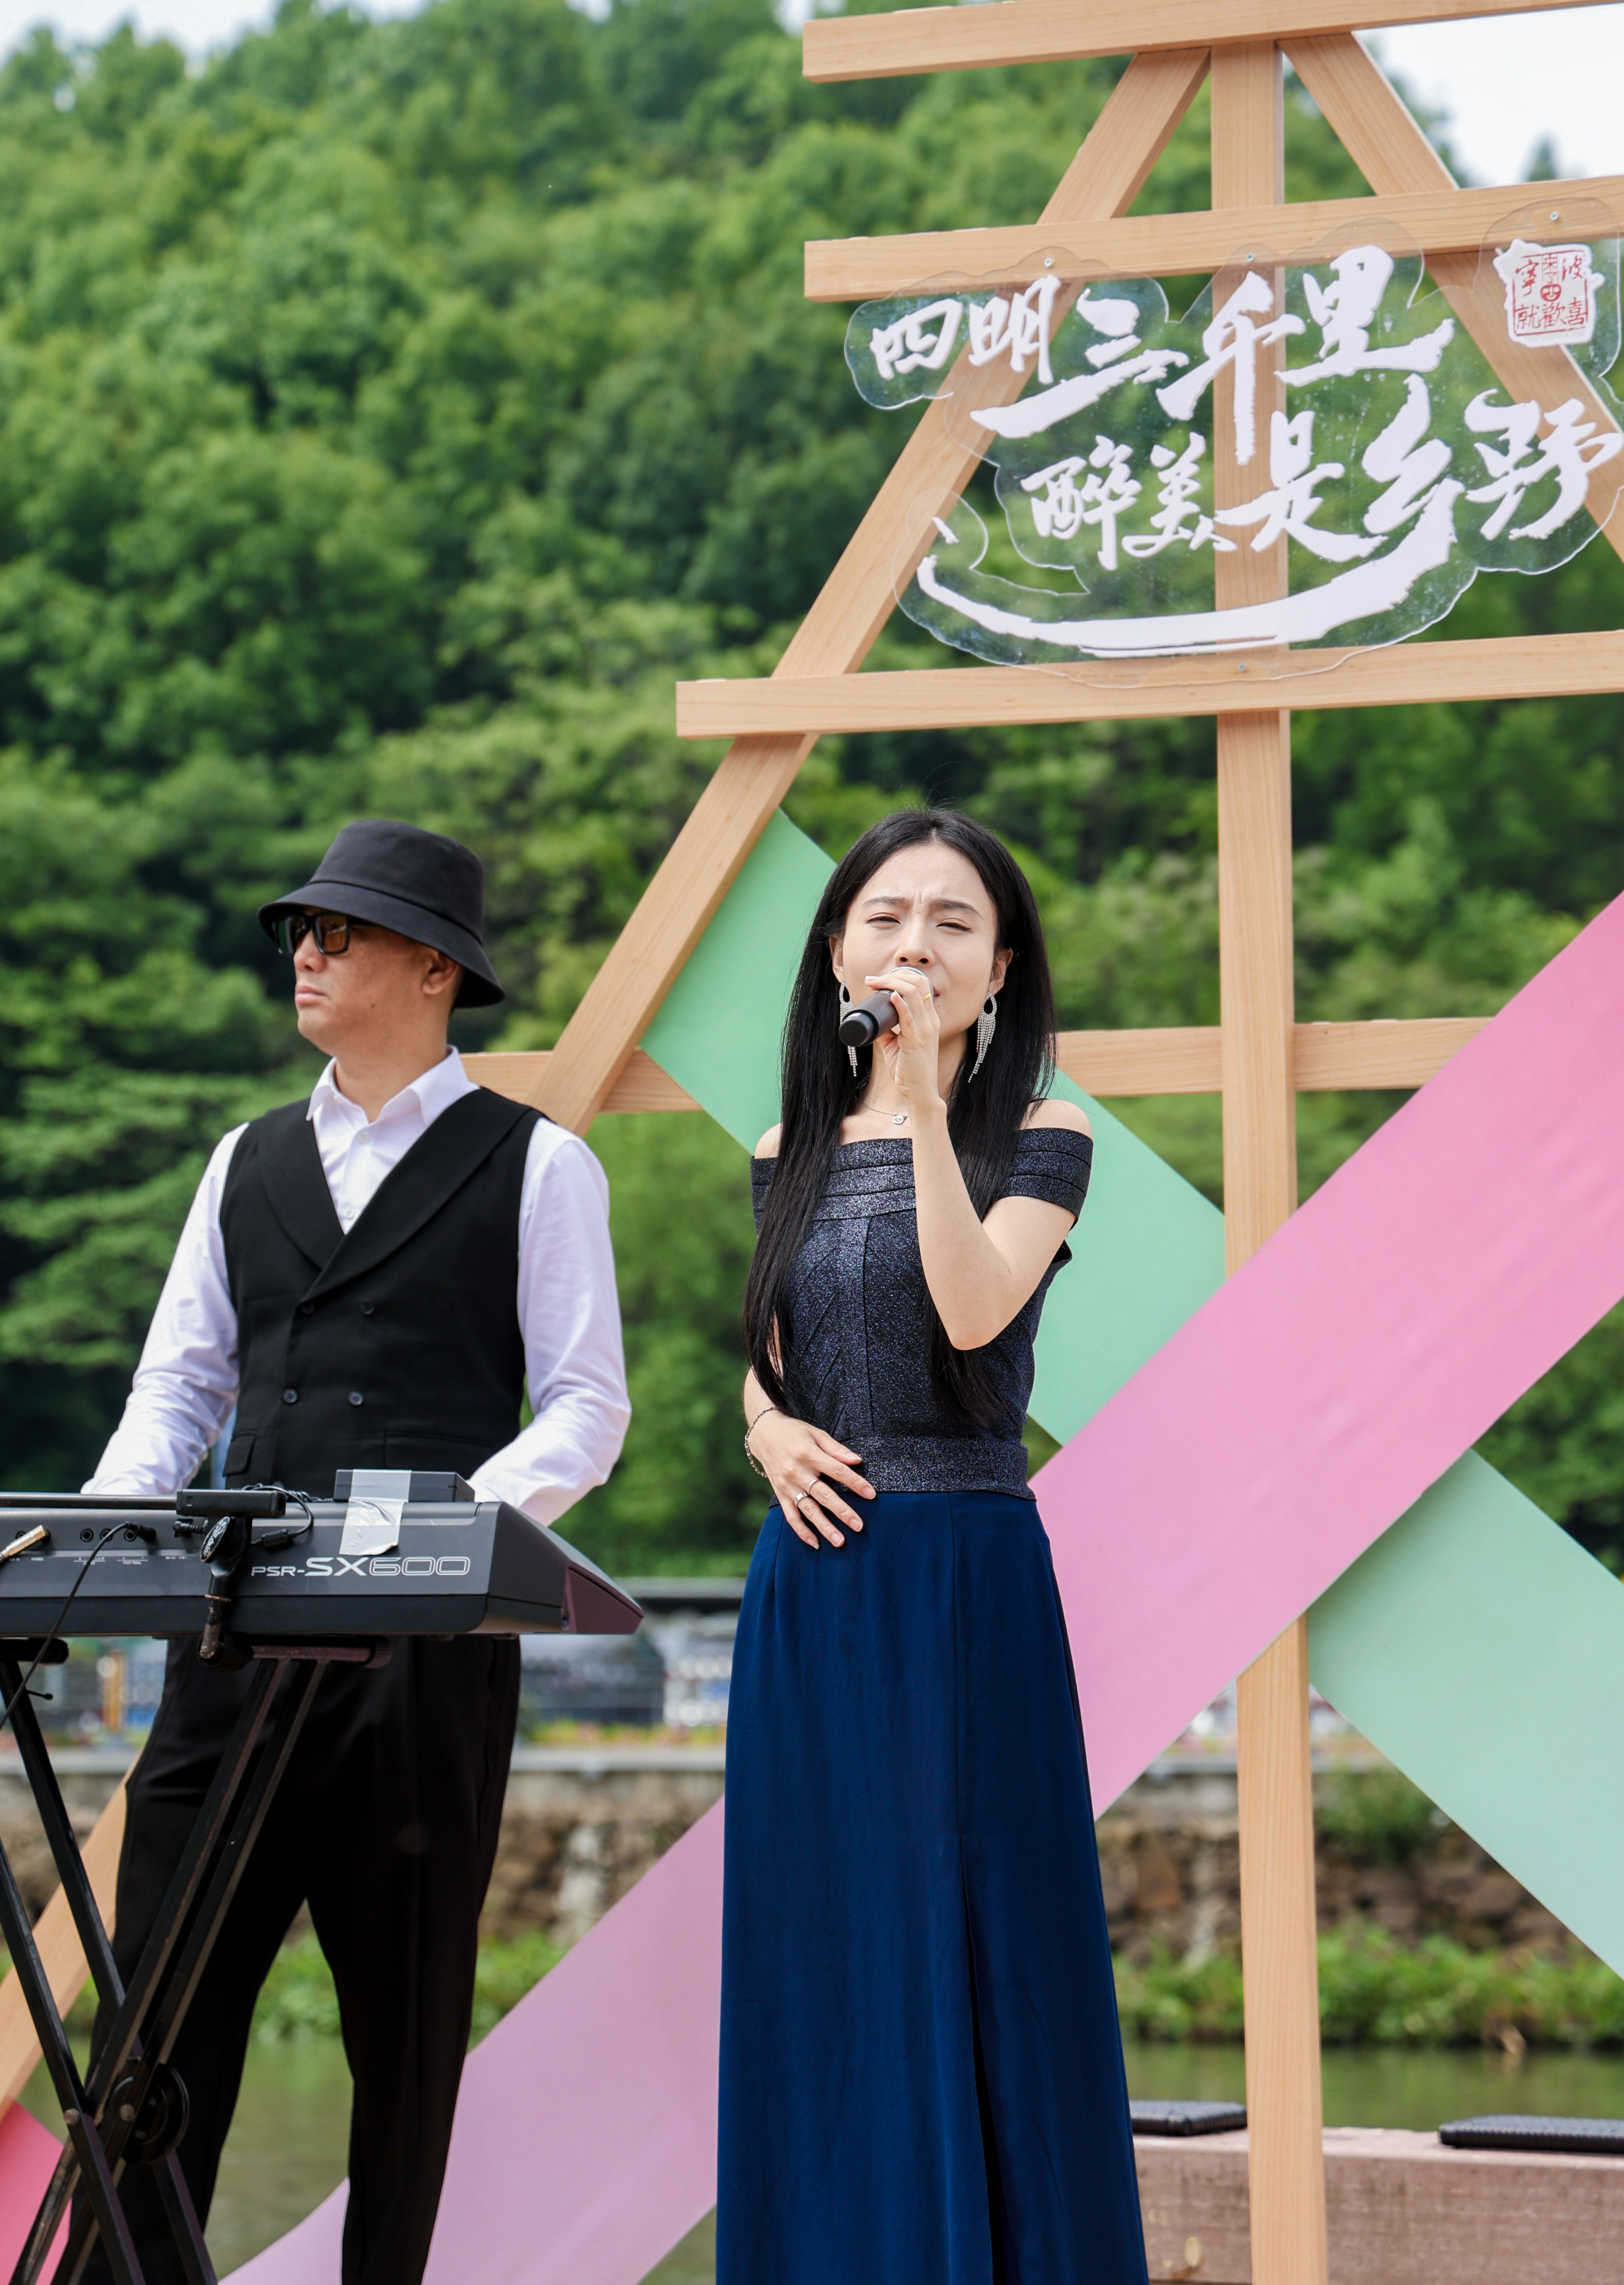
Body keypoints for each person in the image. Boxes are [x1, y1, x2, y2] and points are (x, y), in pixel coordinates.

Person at [80, 818, 630, 2285]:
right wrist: (106, 1529)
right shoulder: (243, 1158)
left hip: (421, 1658)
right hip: (227, 1637)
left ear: (435, 968)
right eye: (298, 931)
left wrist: (447, 1536)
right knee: (149, 2030)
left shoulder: (539, 1164)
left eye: (338, 930)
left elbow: (587, 1406)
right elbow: (179, 1388)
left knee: (402, 2042)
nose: (305, 953)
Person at [719, 808, 1148, 2285]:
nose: (917, 945)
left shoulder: (1043, 1130)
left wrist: (914, 1100)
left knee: (982, 1934)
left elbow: (969, 1310)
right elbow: (775, 1354)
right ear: (838, 949)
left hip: (961, 1574)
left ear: (1001, 964)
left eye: (954, 922)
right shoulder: (781, 1146)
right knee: (821, 1946)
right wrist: (762, 1429)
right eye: (886, 917)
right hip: (812, 1579)